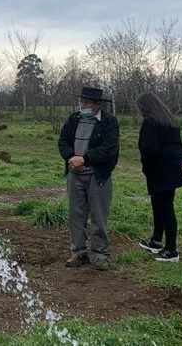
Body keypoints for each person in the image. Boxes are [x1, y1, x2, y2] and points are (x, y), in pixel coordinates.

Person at [58, 86, 119, 271]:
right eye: (81, 102)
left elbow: (109, 148)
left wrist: (85, 159)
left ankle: (100, 254)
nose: (82, 105)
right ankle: (78, 251)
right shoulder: (73, 119)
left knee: (99, 216)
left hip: (97, 175)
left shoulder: (109, 123)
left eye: (86, 103)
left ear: (97, 105)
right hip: (74, 174)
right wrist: (71, 158)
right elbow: (62, 141)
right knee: (76, 215)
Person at [135, 92, 182, 262]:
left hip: (159, 170)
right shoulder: (169, 120)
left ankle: (171, 249)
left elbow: (149, 149)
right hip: (171, 169)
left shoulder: (150, 122)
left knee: (165, 207)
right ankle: (156, 240)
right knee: (159, 204)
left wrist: (147, 169)